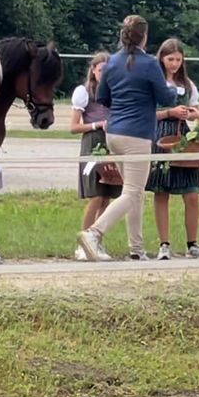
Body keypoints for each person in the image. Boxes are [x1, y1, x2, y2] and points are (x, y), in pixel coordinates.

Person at [77, 16, 179, 262]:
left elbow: (102, 96)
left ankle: (137, 248)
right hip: (138, 134)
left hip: (114, 132)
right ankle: (94, 233)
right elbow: (166, 98)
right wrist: (174, 88)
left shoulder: (111, 62)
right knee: (133, 192)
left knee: (132, 191)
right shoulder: (150, 64)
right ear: (144, 36)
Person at [147, 39, 199, 260]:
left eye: (178, 59)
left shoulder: (187, 83)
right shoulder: (153, 81)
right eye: (170, 59)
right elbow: (146, 113)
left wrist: (190, 114)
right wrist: (169, 112)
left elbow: (197, 111)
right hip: (160, 135)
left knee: (192, 192)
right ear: (161, 59)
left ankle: (193, 243)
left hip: (183, 136)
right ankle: (164, 244)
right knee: (162, 191)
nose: (174, 64)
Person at [70, 52, 121, 261]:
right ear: (93, 70)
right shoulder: (84, 92)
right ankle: (83, 243)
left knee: (107, 196)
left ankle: (97, 241)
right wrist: (97, 124)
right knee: (96, 194)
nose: (105, 74)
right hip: (93, 142)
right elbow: (74, 127)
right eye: (101, 70)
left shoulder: (116, 92)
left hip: (112, 142)